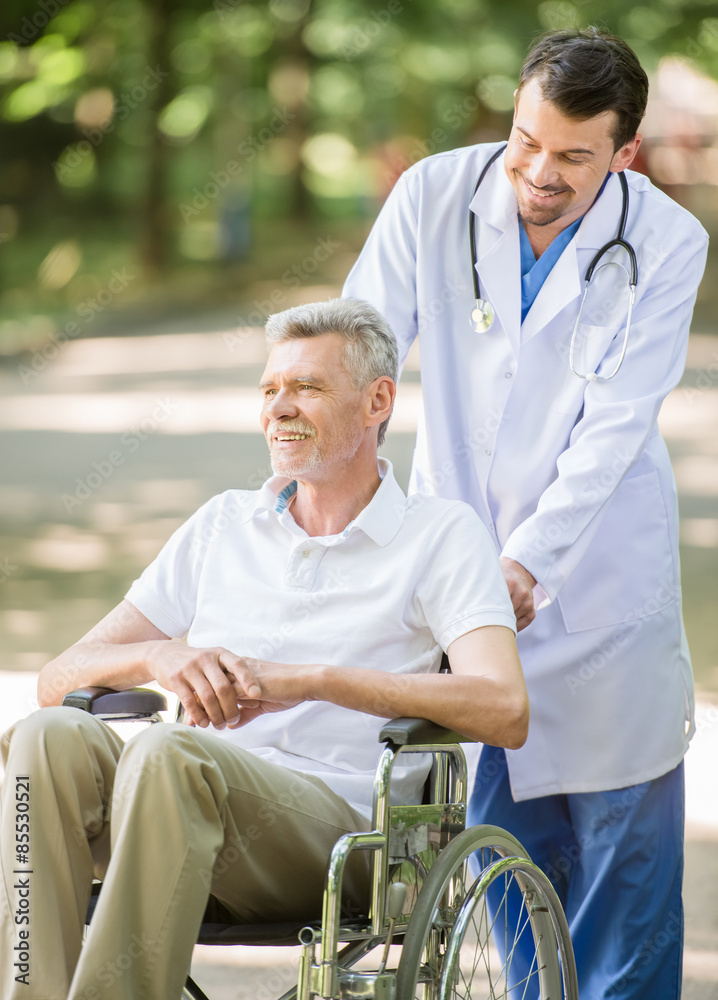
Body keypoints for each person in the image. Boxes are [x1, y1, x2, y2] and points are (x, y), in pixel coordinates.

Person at [0, 298, 526, 1000]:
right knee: (49, 734)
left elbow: (504, 708)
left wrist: (311, 680)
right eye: (270, 389)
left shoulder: (440, 536)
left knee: (168, 751)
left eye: (306, 387)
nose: (279, 407)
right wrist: (157, 658)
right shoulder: (224, 523)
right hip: (176, 812)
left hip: (342, 837)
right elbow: (59, 675)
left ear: (377, 402)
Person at [342, 27, 708, 1000]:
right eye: (523, 142)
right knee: (504, 866)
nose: (537, 174)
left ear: (624, 152)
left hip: (598, 592)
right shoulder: (433, 196)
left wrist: (526, 564)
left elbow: (615, 426)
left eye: (572, 157)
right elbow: (358, 356)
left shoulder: (667, 242)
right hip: (466, 587)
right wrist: (346, 504)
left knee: (621, 904)